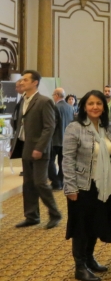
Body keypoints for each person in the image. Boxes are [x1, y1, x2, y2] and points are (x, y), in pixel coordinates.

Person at [63, 90, 111, 281]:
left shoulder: (107, 127)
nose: (95, 107)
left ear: (104, 107)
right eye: (91, 103)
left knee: (95, 223)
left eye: (99, 104)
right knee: (81, 226)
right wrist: (70, 187)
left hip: (104, 185)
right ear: (84, 107)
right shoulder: (75, 128)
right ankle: (80, 266)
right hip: (83, 185)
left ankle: (90, 258)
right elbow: (68, 159)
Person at [12, 70, 62, 229]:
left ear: (35, 83)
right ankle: (32, 216)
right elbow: (20, 125)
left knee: (40, 183)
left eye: (25, 80)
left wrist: (40, 147)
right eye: (22, 80)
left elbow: (49, 127)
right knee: (28, 184)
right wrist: (14, 146)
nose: (22, 82)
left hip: (40, 150)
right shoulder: (23, 100)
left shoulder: (44, 101)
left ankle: (55, 214)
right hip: (25, 148)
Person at [49, 87, 75, 191]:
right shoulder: (70, 108)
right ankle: (60, 181)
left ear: (56, 95)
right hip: (66, 139)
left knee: (49, 161)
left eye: (53, 95)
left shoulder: (55, 107)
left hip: (55, 140)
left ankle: (56, 182)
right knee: (62, 162)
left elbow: (53, 124)